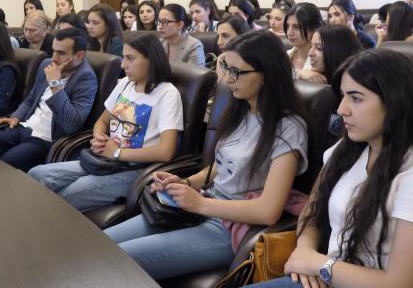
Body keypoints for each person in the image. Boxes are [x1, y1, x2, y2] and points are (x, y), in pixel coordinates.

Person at [252, 49, 413, 288]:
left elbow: (401, 284)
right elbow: (311, 213)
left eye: (356, 98)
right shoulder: (351, 148)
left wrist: (321, 265)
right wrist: (305, 252)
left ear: (395, 102)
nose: (341, 109)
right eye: (343, 96)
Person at [104, 31, 310, 280]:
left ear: (265, 74)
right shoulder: (241, 109)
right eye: (227, 68)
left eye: (236, 72)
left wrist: (199, 203)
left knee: (115, 261)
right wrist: (186, 182)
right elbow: (222, 166)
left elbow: (268, 211)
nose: (228, 78)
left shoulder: (288, 128)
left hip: (229, 227)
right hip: (203, 206)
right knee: (102, 243)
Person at [29, 33, 183, 211]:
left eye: (130, 58)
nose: (123, 65)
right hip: (106, 160)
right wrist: (99, 138)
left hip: (135, 170)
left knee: (63, 197)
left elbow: (166, 151)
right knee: (36, 174)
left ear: (151, 60)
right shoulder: (125, 84)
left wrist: (117, 153)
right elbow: (102, 122)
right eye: (124, 57)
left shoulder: (167, 94)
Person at [0, 28, 97, 171]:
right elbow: (31, 99)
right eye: (53, 51)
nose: (54, 58)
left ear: (79, 55)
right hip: (26, 126)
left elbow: (71, 124)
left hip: (47, 139)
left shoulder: (86, 78)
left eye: (61, 53)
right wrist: (16, 117)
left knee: (8, 161)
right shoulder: (47, 64)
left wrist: (55, 84)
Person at [297, 25, 363, 85]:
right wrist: (299, 74)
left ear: (337, 51)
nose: (310, 53)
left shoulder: (355, 84)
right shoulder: (312, 76)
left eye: (319, 48)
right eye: (311, 46)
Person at [285, 3, 323, 74]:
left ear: (314, 29)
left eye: (297, 27)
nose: (289, 32)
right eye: (287, 26)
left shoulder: (321, 62)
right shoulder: (285, 55)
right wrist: (298, 74)